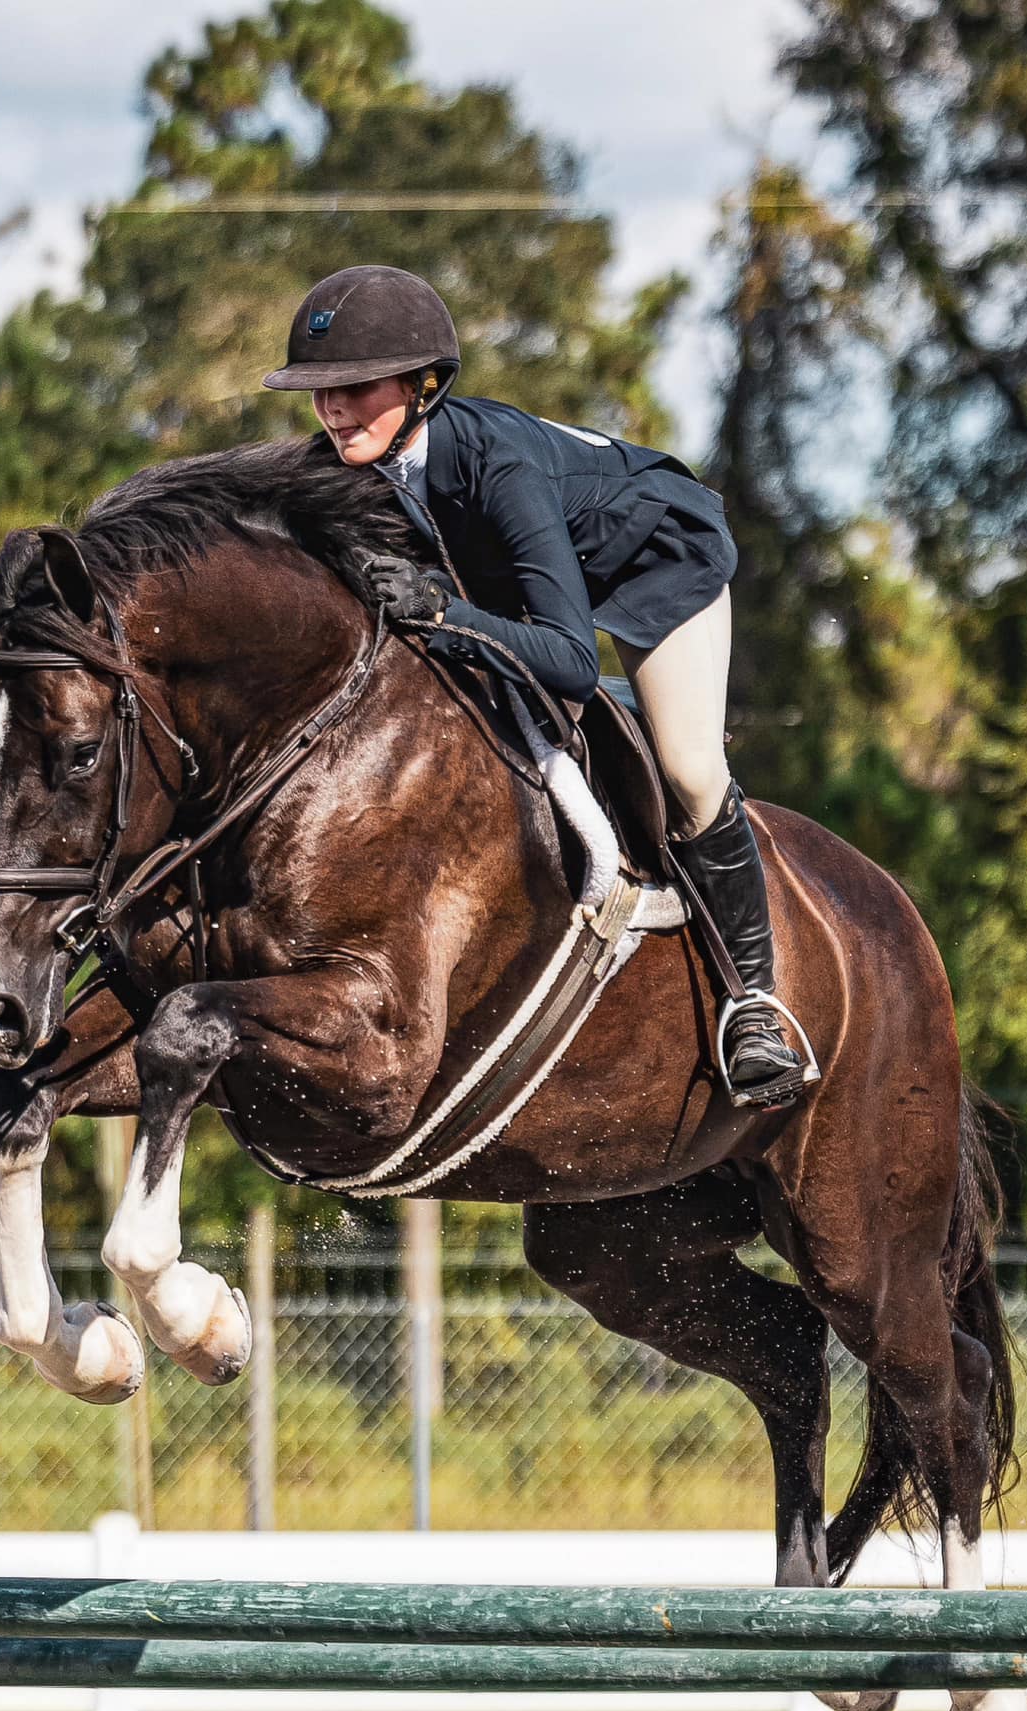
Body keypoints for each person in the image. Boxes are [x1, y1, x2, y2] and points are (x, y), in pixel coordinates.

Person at [262, 263, 809, 1111]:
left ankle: (755, 1006)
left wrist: (445, 616)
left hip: (655, 561)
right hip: (523, 584)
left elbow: (567, 658)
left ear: (421, 386)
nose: (333, 411)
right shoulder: (344, 464)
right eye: (319, 392)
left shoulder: (500, 467)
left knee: (691, 767)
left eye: (355, 389)